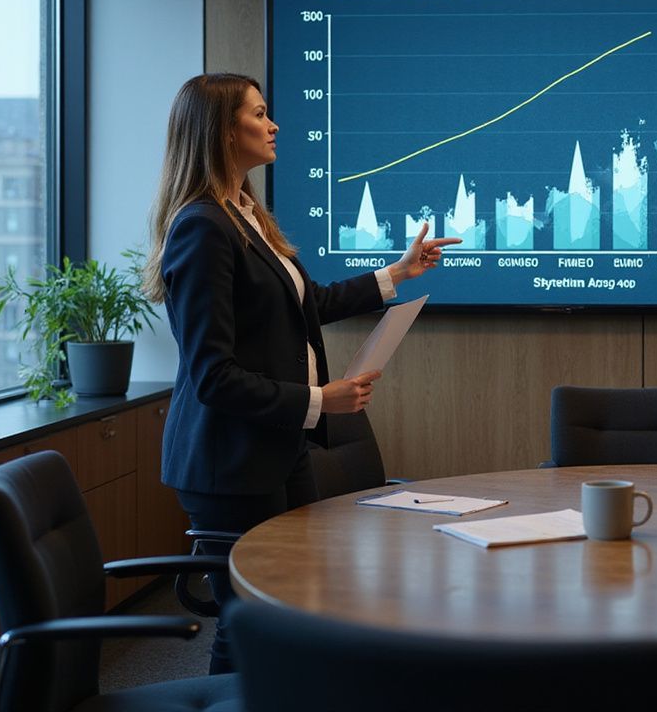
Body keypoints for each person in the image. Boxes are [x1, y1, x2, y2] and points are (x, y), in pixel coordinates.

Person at [143, 72, 460, 673]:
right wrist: (319, 401)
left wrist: (396, 274)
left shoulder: (244, 214)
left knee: (291, 612)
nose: (274, 124)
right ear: (220, 132)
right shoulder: (201, 227)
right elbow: (212, 376)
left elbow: (305, 302)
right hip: (229, 460)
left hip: (277, 445)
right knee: (251, 626)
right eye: (258, 115)